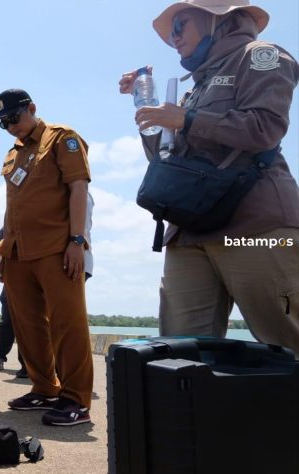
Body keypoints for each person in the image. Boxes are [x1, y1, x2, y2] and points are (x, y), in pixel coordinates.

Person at [120, 0, 299, 354]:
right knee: (181, 354)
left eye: (180, 25)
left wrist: (186, 119)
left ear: (216, 19)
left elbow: (265, 128)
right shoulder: (193, 90)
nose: (173, 38)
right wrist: (147, 108)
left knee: (287, 340)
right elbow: (164, 159)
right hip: (189, 232)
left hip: (254, 228)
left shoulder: (261, 55)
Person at [0, 89, 94, 426]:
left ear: (32, 108)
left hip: (55, 247)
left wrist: (77, 241)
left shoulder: (62, 138)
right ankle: (45, 388)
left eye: (14, 118)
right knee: (27, 325)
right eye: (3, 123)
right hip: (18, 253)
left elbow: (78, 188)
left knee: (68, 323)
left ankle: (76, 399)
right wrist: (4, 251)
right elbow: (13, 206)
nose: (10, 126)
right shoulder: (13, 153)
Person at [0, 192, 95, 378]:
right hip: (36, 259)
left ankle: (68, 379)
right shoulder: (40, 192)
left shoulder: (77, 191)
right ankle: (36, 371)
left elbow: (80, 227)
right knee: (32, 319)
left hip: (65, 259)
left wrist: (76, 243)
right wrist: (5, 257)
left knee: (62, 321)